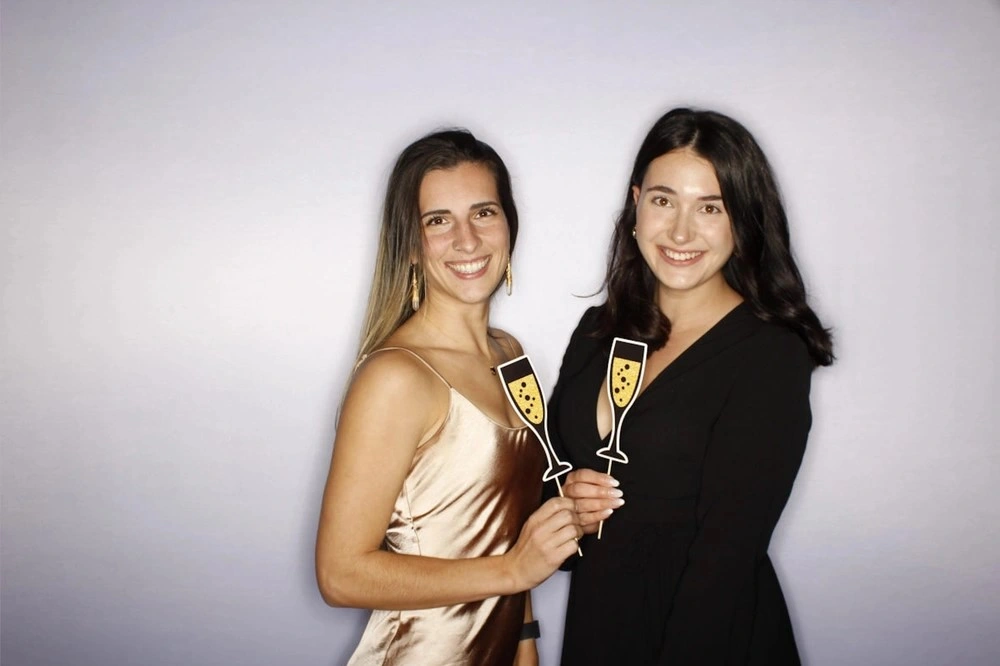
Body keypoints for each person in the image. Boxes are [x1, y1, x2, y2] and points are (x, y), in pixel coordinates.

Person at [549, 108, 834, 665]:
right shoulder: (597, 331)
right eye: (663, 200)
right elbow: (552, 481)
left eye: (711, 207)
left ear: (744, 220)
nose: (681, 232)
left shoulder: (768, 353)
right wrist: (564, 508)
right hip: (601, 628)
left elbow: (727, 556)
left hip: (709, 639)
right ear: (635, 206)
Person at [315, 129, 581, 666]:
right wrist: (512, 570)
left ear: (509, 224)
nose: (467, 240)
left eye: (483, 212)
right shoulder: (395, 377)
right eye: (439, 221)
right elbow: (340, 575)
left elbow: (511, 532)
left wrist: (526, 647)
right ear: (411, 244)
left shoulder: (509, 354)